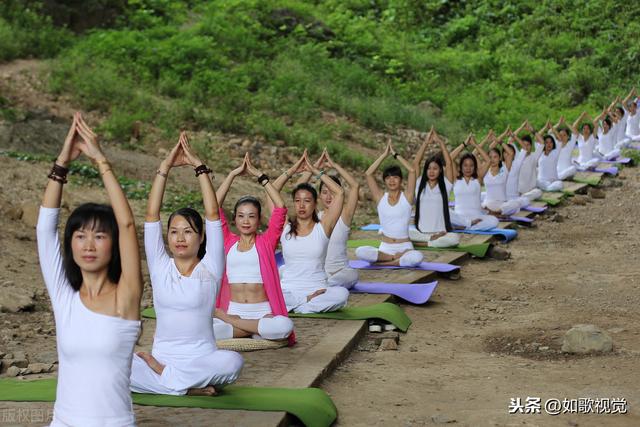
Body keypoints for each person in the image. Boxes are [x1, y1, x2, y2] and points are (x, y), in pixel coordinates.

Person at [37, 113, 142, 426]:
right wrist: (61, 164)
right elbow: (45, 230)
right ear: (71, 244)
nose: (88, 245)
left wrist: (101, 162)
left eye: (99, 236)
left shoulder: (127, 297)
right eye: (80, 236)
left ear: (112, 245)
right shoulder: (64, 297)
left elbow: (126, 224)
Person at [130, 132, 243, 397]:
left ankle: (167, 380)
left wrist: (199, 167)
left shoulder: (211, 268)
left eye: (188, 231)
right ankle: (185, 386)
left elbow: (213, 213)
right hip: (162, 357)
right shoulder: (160, 266)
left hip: (201, 361)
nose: (180, 238)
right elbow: (151, 215)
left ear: (201, 237)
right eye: (174, 232)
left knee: (233, 362)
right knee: (114, 365)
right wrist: (164, 168)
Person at [212, 153, 294, 343]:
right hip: (234, 309)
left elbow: (280, 207)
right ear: (235, 219)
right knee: (202, 328)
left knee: (284, 326)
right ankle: (253, 331)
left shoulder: (266, 242)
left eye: (251, 216)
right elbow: (214, 206)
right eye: (241, 216)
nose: (246, 221)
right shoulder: (227, 241)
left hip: (262, 313)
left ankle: (241, 328)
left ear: (259, 220)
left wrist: (261, 176)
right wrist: (232, 175)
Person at [271, 151, 350, 313]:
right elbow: (270, 191)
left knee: (342, 294)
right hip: (288, 290)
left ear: (315, 204)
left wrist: (315, 171)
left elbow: (340, 193)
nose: (301, 205)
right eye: (297, 201)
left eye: (307, 201)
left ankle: (294, 306)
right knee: (269, 293)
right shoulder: (284, 227)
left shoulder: (324, 227)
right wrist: (292, 170)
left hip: (318, 290)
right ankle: (303, 304)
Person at [296, 149, 360, 289]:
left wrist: (335, 166)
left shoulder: (345, 214)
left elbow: (355, 186)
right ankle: (320, 285)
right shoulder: (314, 216)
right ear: (318, 196)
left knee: (352, 275)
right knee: (283, 270)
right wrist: (314, 168)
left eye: (332, 193)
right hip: (319, 272)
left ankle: (322, 286)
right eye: (324, 192)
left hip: (340, 272)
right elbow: (298, 188)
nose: (329, 197)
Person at [355, 140, 426, 261]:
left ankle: (388, 262)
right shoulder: (380, 198)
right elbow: (368, 174)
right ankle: (393, 259)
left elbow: (412, 171)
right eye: (388, 177)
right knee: (360, 252)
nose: (391, 180)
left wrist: (395, 154)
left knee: (417, 258)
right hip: (385, 247)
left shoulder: (407, 196)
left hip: (405, 246)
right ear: (384, 181)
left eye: (395, 177)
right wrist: (384, 155)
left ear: (401, 180)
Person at [448, 134, 500, 231]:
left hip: (477, 217)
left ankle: (467, 227)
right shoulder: (456, 177)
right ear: (461, 166)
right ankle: (467, 225)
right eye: (465, 165)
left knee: (494, 221)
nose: (468, 168)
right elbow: (449, 158)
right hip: (459, 217)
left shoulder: (478, 178)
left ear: (474, 167)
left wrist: (475, 145)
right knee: (445, 211)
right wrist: (464, 144)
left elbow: (488, 160)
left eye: (471, 165)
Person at [472, 136, 521, 217]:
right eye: (490, 157)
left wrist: (498, 141)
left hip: (502, 204)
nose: (492, 160)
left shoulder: (505, 168)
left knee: (515, 204)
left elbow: (511, 153)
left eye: (495, 157)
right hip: (488, 204)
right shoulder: (484, 170)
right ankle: (494, 213)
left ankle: (494, 212)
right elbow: (474, 154)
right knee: (475, 204)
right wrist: (484, 141)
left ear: (500, 158)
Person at [536, 125, 564, 192]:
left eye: (551, 142)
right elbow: (537, 137)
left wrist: (552, 127)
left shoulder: (555, 152)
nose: (549, 144)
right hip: (542, 181)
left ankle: (548, 188)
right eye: (546, 142)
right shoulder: (540, 152)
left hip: (554, 181)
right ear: (543, 144)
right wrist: (545, 127)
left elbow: (560, 139)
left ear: (553, 143)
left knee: (560, 184)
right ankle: (549, 188)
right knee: (535, 181)